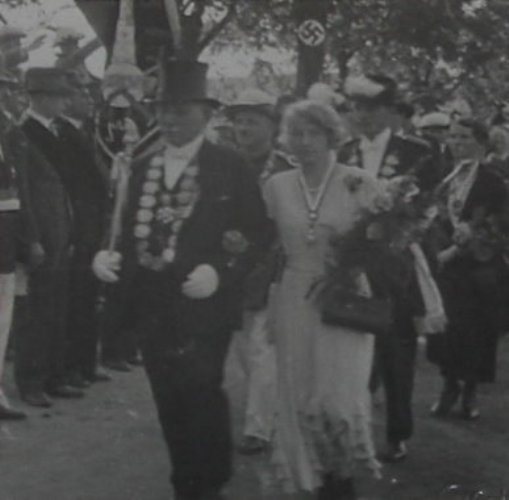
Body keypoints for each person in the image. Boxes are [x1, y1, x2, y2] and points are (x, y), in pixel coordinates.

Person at [92, 59, 270, 500]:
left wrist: (220, 271)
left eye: (181, 111)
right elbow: (122, 225)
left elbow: (256, 231)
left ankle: (208, 484)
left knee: (201, 389)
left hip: (204, 302)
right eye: (162, 110)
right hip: (152, 301)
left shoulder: (229, 165)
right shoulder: (140, 165)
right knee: (168, 396)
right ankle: (184, 484)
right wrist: (106, 255)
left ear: (206, 115)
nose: (169, 120)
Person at [264, 99, 380, 499]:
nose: (305, 141)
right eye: (296, 133)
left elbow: (385, 246)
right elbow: (268, 245)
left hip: (344, 297)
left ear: (332, 137)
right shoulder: (277, 186)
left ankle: (342, 478)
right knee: (299, 391)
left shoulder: (360, 181)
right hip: (295, 295)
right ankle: (310, 478)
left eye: (314, 133)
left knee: (338, 397)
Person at [339, 73, 439, 463]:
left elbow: (429, 208)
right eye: (356, 107)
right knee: (352, 343)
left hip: (397, 263)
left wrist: (397, 231)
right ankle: (354, 424)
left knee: (397, 349)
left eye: (371, 107)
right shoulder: (344, 153)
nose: (362, 115)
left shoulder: (417, 152)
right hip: (353, 264)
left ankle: (398, 431)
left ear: (389, 110)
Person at [428, 119, 507, 420]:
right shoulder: (446, 176)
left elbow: (500, 225)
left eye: (464, 137)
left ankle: (470, 390)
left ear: (481, 142)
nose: (456, 143)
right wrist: (439, 247)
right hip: (448, 266)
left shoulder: (493, 180)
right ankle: (449, 385)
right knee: (448, 329)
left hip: (480, 268)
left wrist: (465, 244)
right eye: (452, 137)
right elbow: (433, 217)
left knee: (477, 331)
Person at [14, 67, 83, 407]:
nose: (64, 103)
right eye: (57, 97)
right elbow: (24, 192)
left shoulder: (56, 132)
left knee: (57, 307)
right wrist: (31, 238)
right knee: (36, 312)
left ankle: (54, 376)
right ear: (38, 98)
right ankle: (31, 381)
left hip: (59, 230)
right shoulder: (21, 134)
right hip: (40, 234)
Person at [225, 88, 286, 456]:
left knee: (263, 347)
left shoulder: (285, 168)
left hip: (272, 266)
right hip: (229, 267)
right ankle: (267, 410)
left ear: (272, 126)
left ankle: (259, 426)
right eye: (239, 121)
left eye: (253, 121)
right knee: (244, 346)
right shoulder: (223, 163)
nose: (244, 128)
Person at [55, 71, 109, 387]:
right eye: (82, 94)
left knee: (88, 296)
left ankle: (86, 362)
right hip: (77, 227)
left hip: (93, 227)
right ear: (66, 100)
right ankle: (71, 365)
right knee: (74, 299)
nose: (90, 100)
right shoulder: (63, 135)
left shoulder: (84, 132)